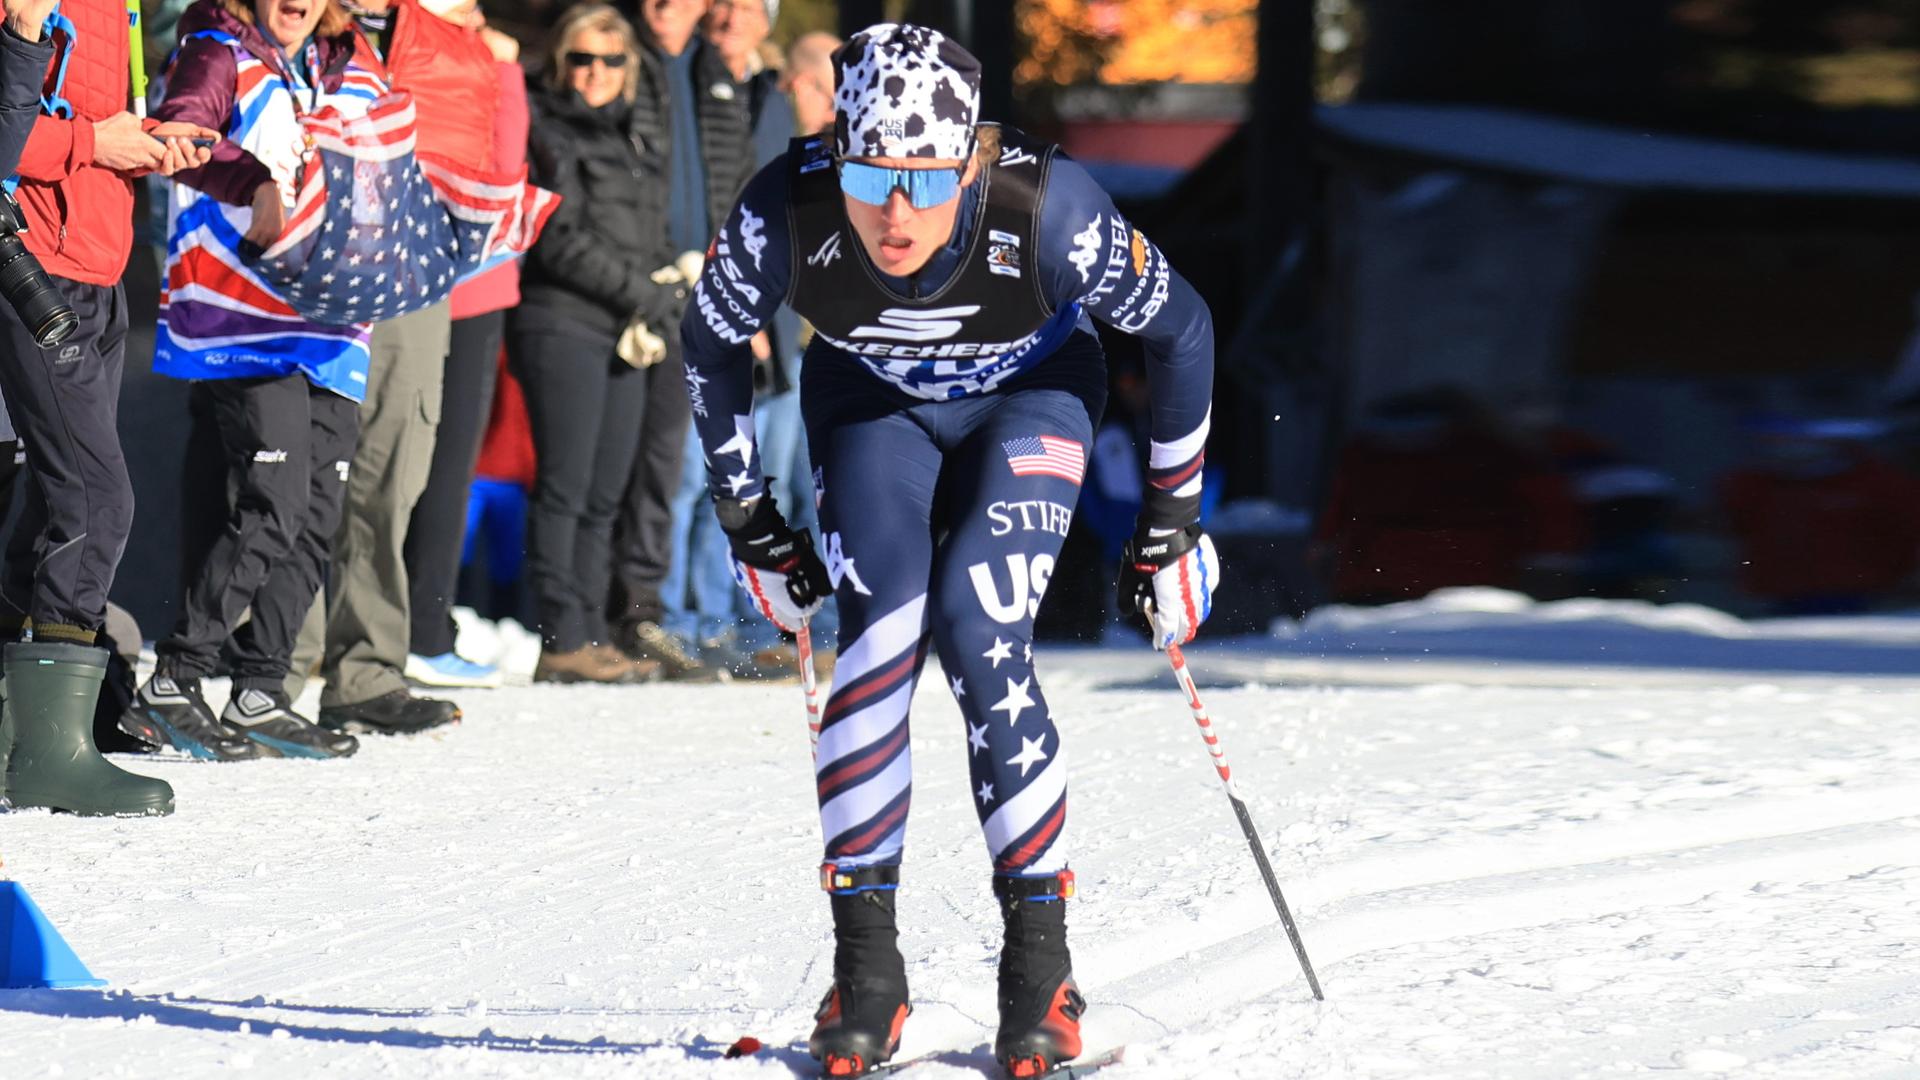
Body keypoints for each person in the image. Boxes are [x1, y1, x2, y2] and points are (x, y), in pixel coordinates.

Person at [679, 24, 1220, 1077]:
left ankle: (1041, 976)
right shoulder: (783, 208)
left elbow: (1184, 328)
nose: (893, 210)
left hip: (1032, 392)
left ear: (969, 159)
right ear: (838, 150)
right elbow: (706, 345)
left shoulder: (1048, 209)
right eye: (871, 172)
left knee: (980, 628)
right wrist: (747, 514)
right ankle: (867, 977)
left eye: (923, 181)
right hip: (873, 400)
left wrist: (1172, 519)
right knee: (880, 628)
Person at [129, 0, 382, 762]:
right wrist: (256, 180)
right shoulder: (216, 47)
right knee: (276, 496)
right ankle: (179, 673)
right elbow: (176, 136)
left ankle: (260, 688)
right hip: (241, 312)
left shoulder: (343, 59)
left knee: (318, 506)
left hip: (333, 315)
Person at [0, 0, 213, 816]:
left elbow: (80, 116)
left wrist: (143, 143)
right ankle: (54, 751)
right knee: (95, 499)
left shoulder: (119, 6)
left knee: (58, 500)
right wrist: (98, 143)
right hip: (34, 263)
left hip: (100, 264)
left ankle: (23, 734)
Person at [280, 0, 482, 734]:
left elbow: (473, 146)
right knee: (293, 463)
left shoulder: (452, 35)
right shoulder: (290, 16)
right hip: (307, 258)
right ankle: (273, 665)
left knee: (393, 469)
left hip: (413, 267)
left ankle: (365, 671)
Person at [512, 1, 684, 683]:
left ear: (628, 68)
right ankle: (562, 635)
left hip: (626, 331)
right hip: (564, 324)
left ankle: (588, 632)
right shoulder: (548, 128)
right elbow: (557, 236)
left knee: (607, 491)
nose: (595, 72)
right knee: (566, 486)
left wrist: (671, 281)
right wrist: (643, 291)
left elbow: (649, 230)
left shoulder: (633, 135)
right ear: (561, 61)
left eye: (610, 60)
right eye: (581, 58)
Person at [606, 0, 752, 679]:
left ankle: (646, 615)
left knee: (670, 466)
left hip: (703, 291)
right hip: (634, 284)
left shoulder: (714, 72)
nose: (668, 5)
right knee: (617, 468)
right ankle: (606, 617)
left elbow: (742, 190)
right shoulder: (617, 55)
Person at [399, 0, 528, 691]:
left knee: (428, 468)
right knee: (437, 468)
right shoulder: (459, 64)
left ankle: (423, 624)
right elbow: (505, 166)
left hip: (462, 284)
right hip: (455, 283)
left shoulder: (415, 51)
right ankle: (421, 629)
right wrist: (505, 73)